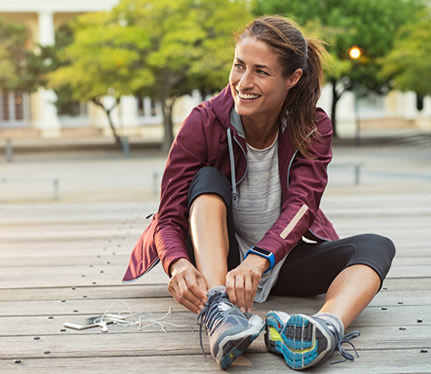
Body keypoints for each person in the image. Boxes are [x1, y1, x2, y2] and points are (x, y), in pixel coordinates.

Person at [123, 15, 395, 371]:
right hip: (217, 263)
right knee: (206, 179)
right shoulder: (203, 122)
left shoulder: (312, 126)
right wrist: (178, 263)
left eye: (261, 72)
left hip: (277, 259)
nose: (243, 82)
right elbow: (169, 215)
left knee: (377, 246)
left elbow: (303, 205)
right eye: (239, 66)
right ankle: (220, 313)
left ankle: (325, 328)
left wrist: (260, 258)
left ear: (292, 78)